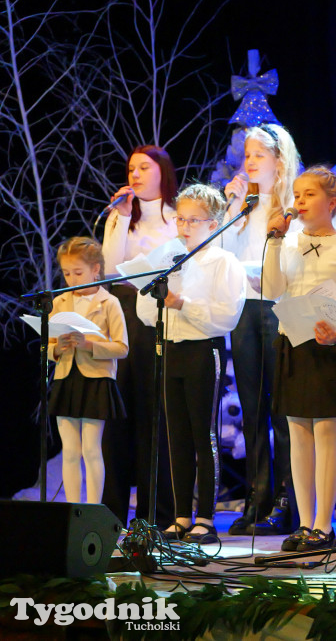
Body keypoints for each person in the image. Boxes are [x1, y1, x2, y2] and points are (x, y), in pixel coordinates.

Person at [262, 166, 336, 551]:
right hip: (293, 341)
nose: (299, 202)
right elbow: (272, 289)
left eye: (308, 195)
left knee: (327, 433)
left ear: (331, 202)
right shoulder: (288, 242)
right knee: (298, 433)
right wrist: (274, 241)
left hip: (330, 345)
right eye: (296, 195)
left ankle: (324, 525)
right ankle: (304, 521)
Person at [137, 184, 246, 544]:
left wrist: (182, 303)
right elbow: (144, 309)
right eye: (180, 219)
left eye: (193, 220)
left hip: (204, 351)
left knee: (204, 434)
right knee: (177, 435)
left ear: (213, 223)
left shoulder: (223, 262)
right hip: (171, 348)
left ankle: (207, 517)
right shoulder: (169, 256)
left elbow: (227, 316)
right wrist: (158, 299)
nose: (184, 226)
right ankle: (182, 514)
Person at [221, 123, 300, 537]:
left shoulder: (290, 204)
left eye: (257, 156)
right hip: (245, 308)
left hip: (279, 307)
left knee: (281, 408)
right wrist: (232, 206)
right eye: (246, 156)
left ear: (278, 160)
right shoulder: (242, 204)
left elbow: (296, 256)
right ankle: (258, 494)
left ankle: (287, 500)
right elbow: (224, 255)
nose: (249, 163)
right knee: (252, 406)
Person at [100, 146, 178, 526]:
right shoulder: (120, 216)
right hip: (122, 313)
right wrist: (121, 217)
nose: (135, 174)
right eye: (131, 168)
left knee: (156, 415)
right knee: (118, 415)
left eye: (144, 167)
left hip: (161, 314)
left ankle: (157, 514)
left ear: (163, 171)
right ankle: (112, 511)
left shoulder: (178, 218)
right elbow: (109, 269)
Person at [48, 237, 129, 505]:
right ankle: (72, 511)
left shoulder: (109, 303)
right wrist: (56, 348)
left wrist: (89, 344)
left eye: (78, 273)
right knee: (70, 450)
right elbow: (46, 347)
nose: (71, 279)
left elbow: (121, 347)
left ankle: (93, 512)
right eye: (67, 273)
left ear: (96, 269)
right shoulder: (60, 303)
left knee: (91, 450)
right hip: (66, 378)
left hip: (95, 380)